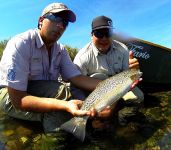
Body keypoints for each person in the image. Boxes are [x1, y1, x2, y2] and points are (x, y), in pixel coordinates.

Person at [0, 3, 113, 133]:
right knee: (61, 98)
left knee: (65, 101)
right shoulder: (20, 43)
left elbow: (76, 77)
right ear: (41, 21)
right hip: (10, 96)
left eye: (65, 23)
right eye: (55, 19)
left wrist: (110, 85)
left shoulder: (60, 49)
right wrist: (65, 106)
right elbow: (17, 100)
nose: (60, 25)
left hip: (43, 93)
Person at [73, 15, 144, 127]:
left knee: (138, 97)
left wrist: (134, 69)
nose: (104, 38)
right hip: (95, 96)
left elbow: (127, 78)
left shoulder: (123, 49)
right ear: (91, 34)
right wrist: (87, 108)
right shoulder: (82, 58)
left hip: (117, 89)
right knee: (97, 125)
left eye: (108, 33)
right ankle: (91, 123)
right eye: (99, 33)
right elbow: (75, 86)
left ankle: (121, 121)